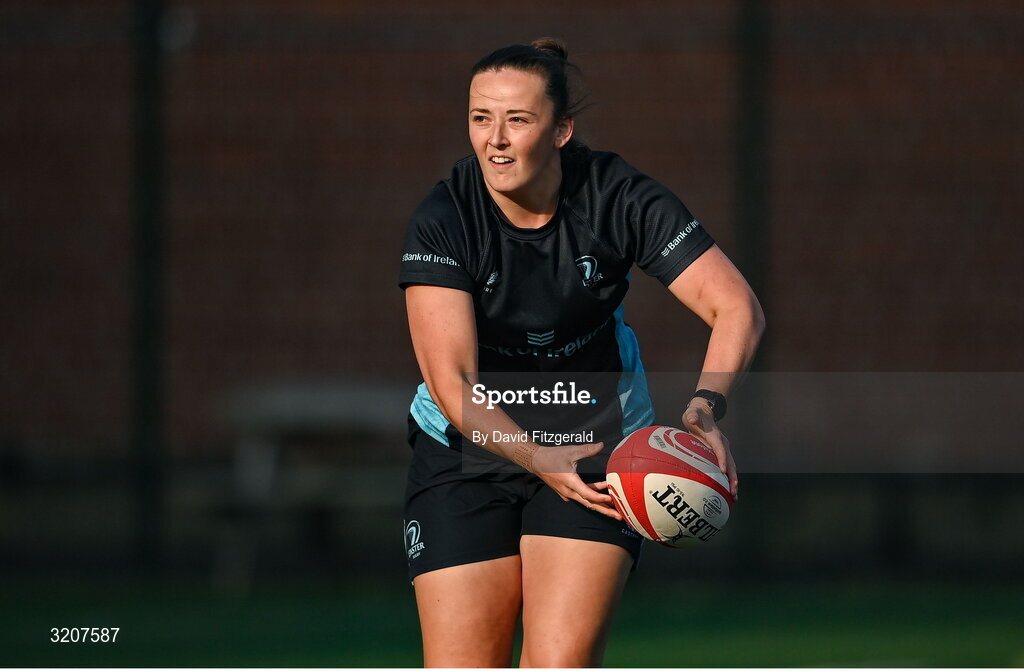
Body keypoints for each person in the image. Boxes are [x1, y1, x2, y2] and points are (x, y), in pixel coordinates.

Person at [398, 38, 764, 667]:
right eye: (481, 118)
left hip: (599, 442)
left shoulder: (617, 198)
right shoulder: (446, 216)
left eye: (518, 120)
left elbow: (736, 307)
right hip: (468, 445)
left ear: (562, 129)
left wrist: (706, 407)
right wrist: (536, 456)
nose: (496, 140)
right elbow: (451, 380)